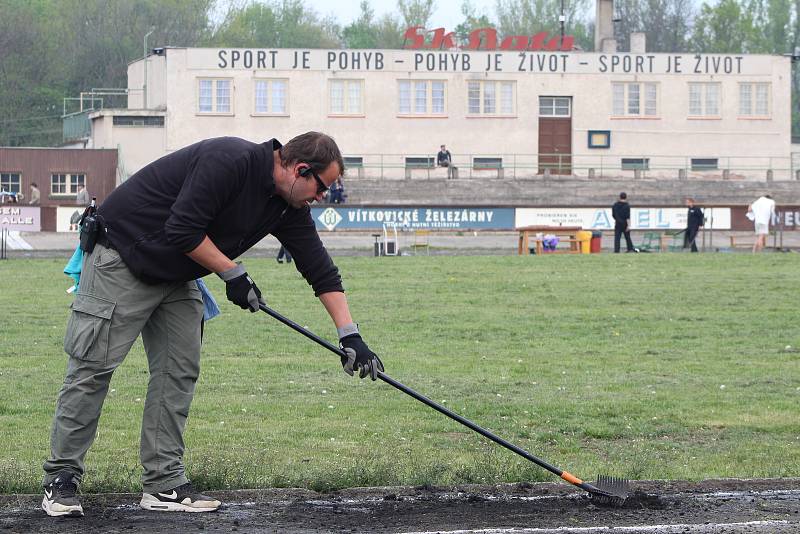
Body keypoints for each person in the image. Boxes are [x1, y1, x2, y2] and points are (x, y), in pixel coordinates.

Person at [41, 132, 384, 518]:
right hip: (122, 255)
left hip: (177, 271)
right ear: (300, 169)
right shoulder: (229, 160)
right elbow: (183, 228)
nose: (321, 197)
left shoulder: (287, 205)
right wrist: (233, 273)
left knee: (178, 371)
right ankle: (61, 480)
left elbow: (320, 269)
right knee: (93, 368)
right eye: (321, 187)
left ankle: (163, 484)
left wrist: (349, 334)